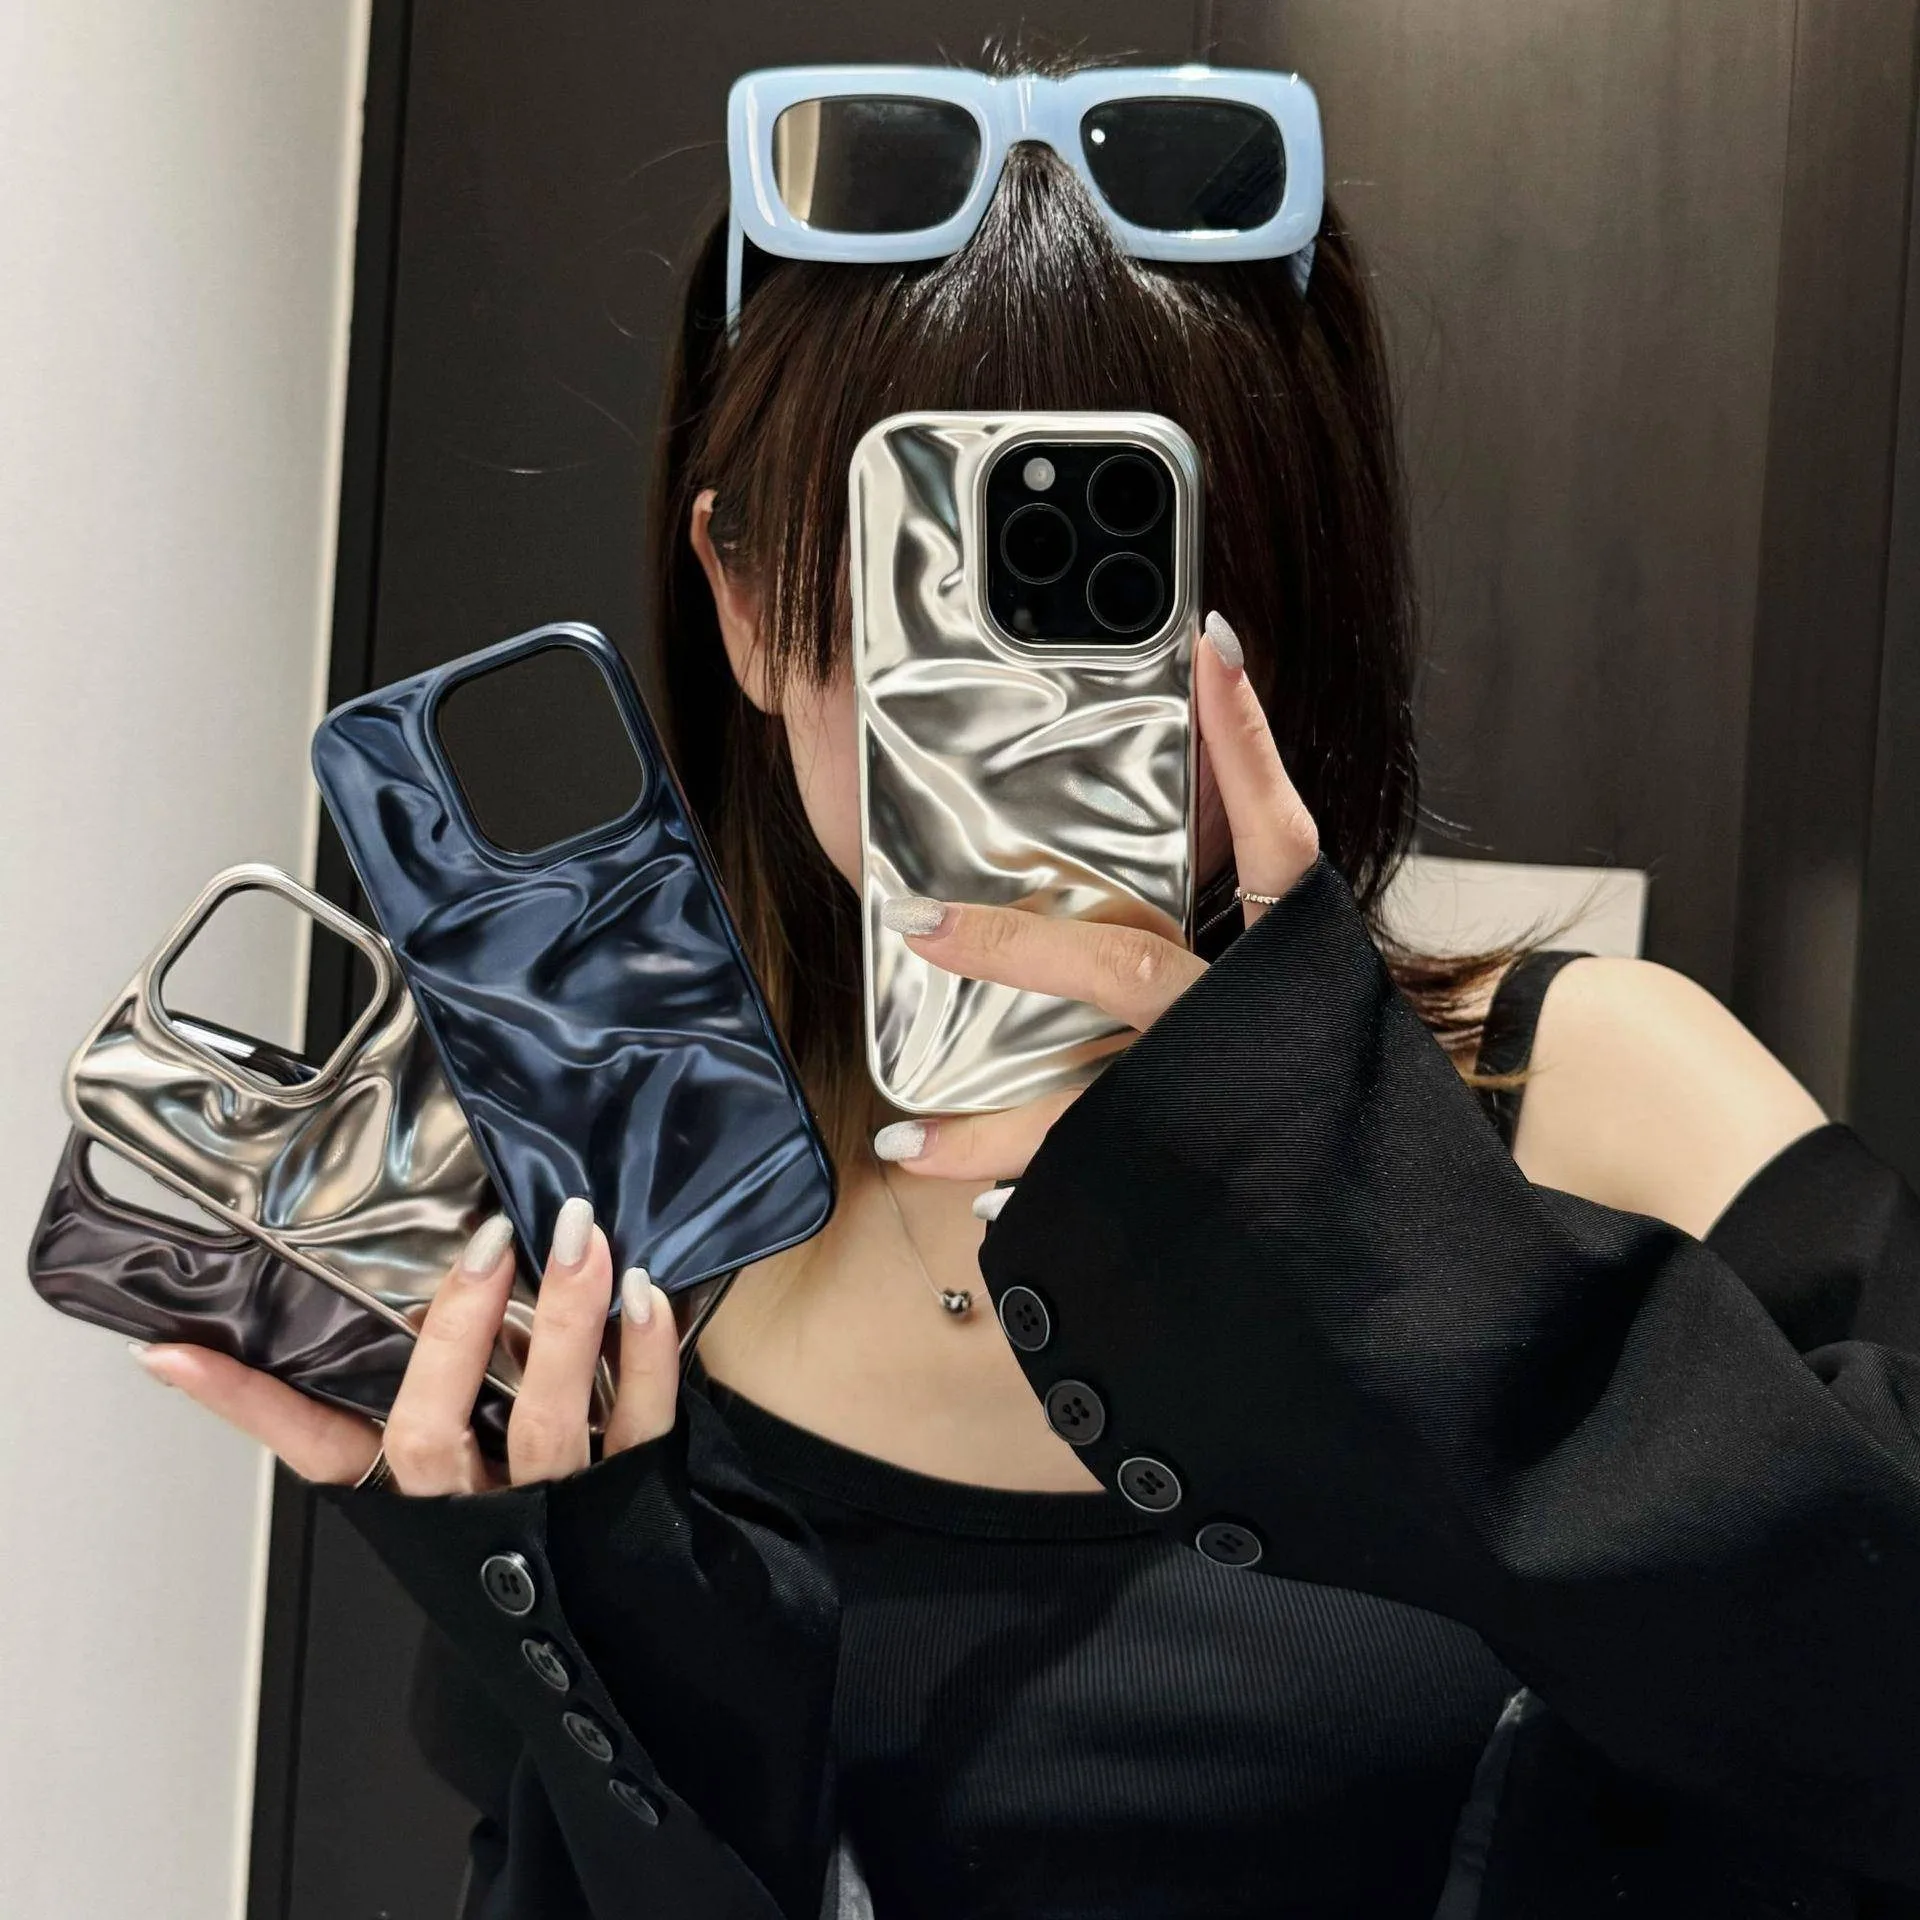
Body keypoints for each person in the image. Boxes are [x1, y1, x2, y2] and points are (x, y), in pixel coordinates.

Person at [134, 53, 1920, 1920]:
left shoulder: (1600, 1100)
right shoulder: (647, 1255)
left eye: (1115, 584)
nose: (1037, 710)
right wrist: (600, 1648)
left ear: (1294, 597)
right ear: (747, 604)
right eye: (930, 588)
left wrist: (1401, 1247)